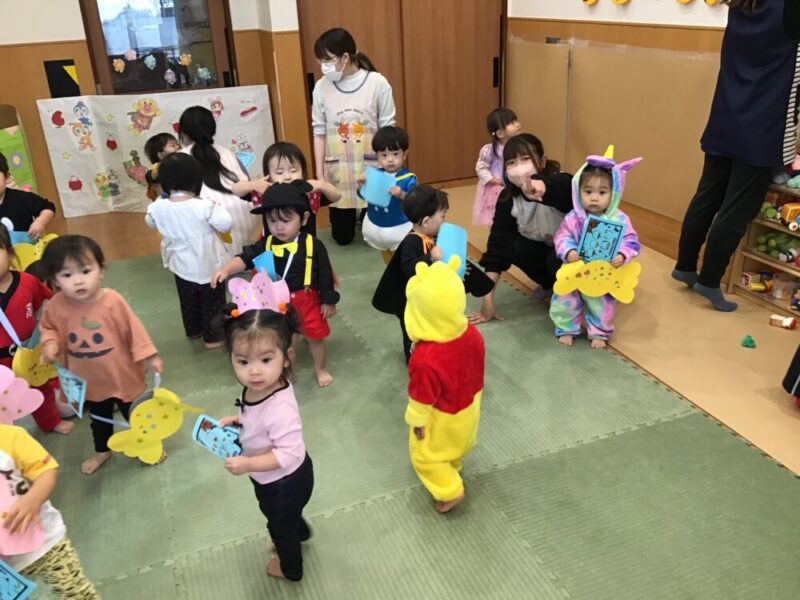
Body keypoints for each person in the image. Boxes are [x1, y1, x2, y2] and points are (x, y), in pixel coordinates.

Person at [673, 0, 800, 311]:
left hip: (726, 116)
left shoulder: (743, 3)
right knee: (737, 210)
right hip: (763, 127)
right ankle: (710, 281)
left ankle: (685, 266)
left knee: (707, 196)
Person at [39, 235, 163, 475]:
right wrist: (50, 343)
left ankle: (149, 444)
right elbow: (48, 327)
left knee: (137, 414)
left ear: (101, 270)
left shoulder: (112, 301)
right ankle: (102, 450)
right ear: (55, 280)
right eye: (67, 275)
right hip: (90, 382)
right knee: (99, 420)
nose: (78, 281)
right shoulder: (55, 306)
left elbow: (135, 330)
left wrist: (151, 356)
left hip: (123, 376)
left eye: (85, 271)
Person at [216, 303, 313, 582]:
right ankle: (299, 531)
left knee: (280, 527)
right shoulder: (259, 388)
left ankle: (290, 569)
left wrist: (247, 464)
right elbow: (257, 416)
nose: (254, 372)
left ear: (287, 357)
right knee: (288, 516)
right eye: (243, 362)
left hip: (283, 481)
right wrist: (238, 420)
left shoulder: (279, 408)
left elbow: (287, 454)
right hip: (283, 480)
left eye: (266, 360)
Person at [212, 182, 339, 387]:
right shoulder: (266, 243)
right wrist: (226, 269)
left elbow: (325, 274)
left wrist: (329, 300)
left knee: (315, 338)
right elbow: (245, 258)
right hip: (278, 303)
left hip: (308, 300)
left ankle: (320, 368)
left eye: (286, 220)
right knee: (285, 341)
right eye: (272, 221)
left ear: (304, 218)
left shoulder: (314, 245)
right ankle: (288, 373)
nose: (279, 227)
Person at [404, 256, 484, 513]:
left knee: (425, 456)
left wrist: (417, 422)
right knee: (455, 444)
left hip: (443, 414)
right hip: (470, 405)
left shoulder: (425, 358)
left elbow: (422, 397)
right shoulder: (471, 332)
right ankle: (453, 464)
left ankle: (450, 490)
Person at [468, 134, 573, 325]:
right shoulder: (508, 199)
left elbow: (567, 188)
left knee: (556, 258)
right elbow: (497, 249)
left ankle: (579, 294)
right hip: (543, 249)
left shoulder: (560, 183)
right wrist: (487, 299)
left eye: (526, 158)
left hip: (575, 255)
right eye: (511, 162)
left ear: (542, 161)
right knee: (514, 246)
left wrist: (542, 187)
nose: (519, 167)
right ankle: (551, 285)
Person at [311, 27, 397, 245]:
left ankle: (367, 215)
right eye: (321, 61)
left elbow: (388, 129)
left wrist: (388, 169)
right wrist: (320, 174)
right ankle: (350, 218)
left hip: (372, 167)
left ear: (345, 57)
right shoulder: (321, 87)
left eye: (328, 60)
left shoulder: (377, 83)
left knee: (374, 237)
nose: (323, 66)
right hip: (338, 170)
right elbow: (319, 132)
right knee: (342, 238)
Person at [550, 147, 642, 349]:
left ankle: (599, 331)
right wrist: (568, 250)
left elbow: (631, 241)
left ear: (614, 193)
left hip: (603, 271)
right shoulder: (574, 217)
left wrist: (622, 254)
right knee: (566, 298)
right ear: (578, 191)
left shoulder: (619, 219)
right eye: (588, 191)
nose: (594, 198)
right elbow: (562, 236)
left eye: (602, 192)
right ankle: (566, 327)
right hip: (575, 269)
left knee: (601, 303)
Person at [144, 153, 233, 349]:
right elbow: (226, 223)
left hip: (181, 266)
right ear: (196, 181)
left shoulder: (158, 206)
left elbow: (149, 222)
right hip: (209, 265)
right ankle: (213, 338)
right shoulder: (204, 205)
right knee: (213, 302)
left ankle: (193, 330)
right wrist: (217, 208)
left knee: (188, 301)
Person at [0, 424, 98, 598]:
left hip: (46, 541)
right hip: (5, 565)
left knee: (76, 593)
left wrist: (33, 499)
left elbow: (46, 471)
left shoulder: (10, 437)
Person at [0, 226, 72, 434]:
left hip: (29, 353)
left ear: (10, 253)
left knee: (42, 389)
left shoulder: (27, 282)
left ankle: (51, 422)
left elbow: (50, 303)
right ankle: (7, 437)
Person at [178, 106, 268, 258]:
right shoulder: (226, 152)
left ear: (184, 133)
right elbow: (245, 183)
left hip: (211, 228)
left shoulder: (180, 158)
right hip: (244, 222)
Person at [372, 185, 446, 362]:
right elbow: (408, 268)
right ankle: (413, 361)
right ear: (426, 221)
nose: (444, 221)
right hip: (409, 303)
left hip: (425, 299)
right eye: (442, 216)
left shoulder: (431, 237)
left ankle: (430, 355)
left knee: (431, 328)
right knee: (412, 333)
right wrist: (430, 257)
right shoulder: (411, 242)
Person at [358, 126, 417, 263]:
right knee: (387, 258)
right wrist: (362, 186)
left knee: (401, 259)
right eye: (384, 155)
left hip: (400, 228)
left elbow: (416, 202)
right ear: (377, 156)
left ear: (405, 154)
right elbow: (364, 197)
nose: (390, 159)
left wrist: (401, 194)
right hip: (376, 227)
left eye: (395, 154)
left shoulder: (408, 178)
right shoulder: (374, 175)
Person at [262, 141, 341, 237]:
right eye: (279, 172)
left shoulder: (308, 193)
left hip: (305, 244)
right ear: (268, 176)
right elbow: (242, 191)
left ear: (303, 173)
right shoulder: (266, 193)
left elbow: (337, 196)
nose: (287, 177)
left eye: (293, 171)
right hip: (273, 245)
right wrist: (253, 185)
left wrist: (322, 185)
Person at [473, 108, 521, 226]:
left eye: (516, 120)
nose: (517, 124)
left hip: (514, 183)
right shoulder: (489, 150)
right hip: (496, 187)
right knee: (495, 213)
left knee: (514, 209)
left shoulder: (520, 146)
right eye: (512, 123)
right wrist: (492, 179)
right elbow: (481, 168)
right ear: (500, 133)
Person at [0, 152, 55, 240]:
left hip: (27, 247)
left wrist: (40, 222)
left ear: (7, 177)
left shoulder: (21, 198)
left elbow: (48, 207)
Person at [143, 131, 181, 200]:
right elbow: (149, 176)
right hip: (166, 200)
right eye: (173, 145)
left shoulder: (182, 163)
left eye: (177, 144)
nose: (178, 147)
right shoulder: (158, 167)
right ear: (161, 154)